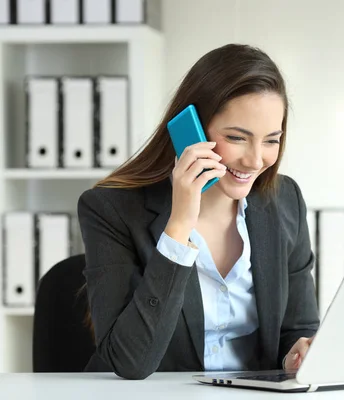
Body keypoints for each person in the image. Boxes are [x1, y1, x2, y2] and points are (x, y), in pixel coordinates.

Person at [77, 44, 320, 380]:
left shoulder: (284, 201)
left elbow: (297, 328)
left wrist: (297, 354)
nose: (255, 160)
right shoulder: (111, 208)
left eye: (271, 140)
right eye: (237, 137)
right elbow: (130, 362)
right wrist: (179, 226)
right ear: (190, 129)